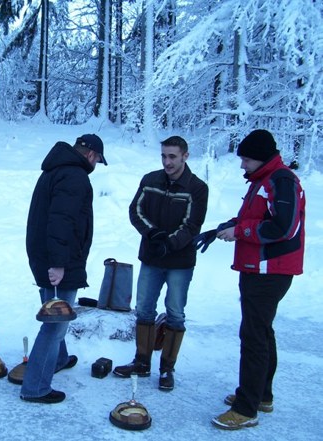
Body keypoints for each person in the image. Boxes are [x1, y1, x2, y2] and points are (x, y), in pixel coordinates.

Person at [204, 130, 305, 430]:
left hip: (268, 271)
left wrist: (241, 231)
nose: (242, 165)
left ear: (260, 157)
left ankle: (246, 409)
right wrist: (229, 226)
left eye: (246, 159)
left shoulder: (281, 180)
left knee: (253, 337)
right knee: (261, 332)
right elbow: (258, 217)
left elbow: (283, 228)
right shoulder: (264, 180)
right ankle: (262, 395)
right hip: (258, 269)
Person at [113, 136, 208, 392]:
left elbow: (192, 225)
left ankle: (167, 368)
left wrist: (170, 243)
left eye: (172, 156)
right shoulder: (150, 179)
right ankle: (142, 362)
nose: (167, 162)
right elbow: (136, 211)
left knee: (175, 312)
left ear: (185, 156)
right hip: (151, 257)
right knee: (144, 309)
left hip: (180, 261)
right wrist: (152, 233)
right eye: (164, 156)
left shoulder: (197, 187)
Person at [20, 134, 107, 404]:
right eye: (97, 160)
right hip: (59, 260)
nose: (96, 165)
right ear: (91, 155)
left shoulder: (57, 170)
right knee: (55, 323)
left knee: (56, 312)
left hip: (44, 254)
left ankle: (58, 358)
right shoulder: (74, 176)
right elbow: (62, 221)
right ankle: (35, 387)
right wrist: (58, 264)